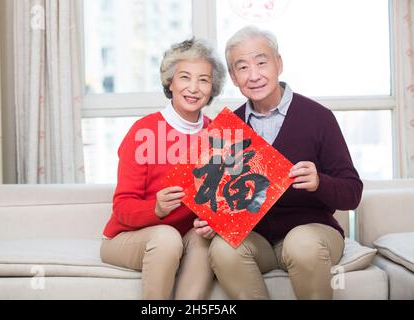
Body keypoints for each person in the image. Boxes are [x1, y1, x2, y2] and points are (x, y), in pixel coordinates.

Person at [202, 26, 363, 300]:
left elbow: (352, 193)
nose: (254, 75)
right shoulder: (228, 129)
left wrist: (319, 182)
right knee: (222, 247)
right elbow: (222, 198)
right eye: (242, 67)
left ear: (279, 63)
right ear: (233, 77)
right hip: (258, 240)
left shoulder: (318, 117)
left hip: (312, 233)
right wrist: (214, 220)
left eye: (261, 62)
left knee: (301, 243)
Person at [100, 38, 226, 300]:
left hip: (185, 238)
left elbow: (223, 201)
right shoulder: (143, 131)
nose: (193, 88)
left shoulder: (219, 135)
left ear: (212, 88)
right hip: (127, 238)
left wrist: (217, 222)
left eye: (203, 80)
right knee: (167, 237)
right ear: (170, 82)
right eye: (184, 77)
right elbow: (122, 208)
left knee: (205, 240)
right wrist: (155, 208)